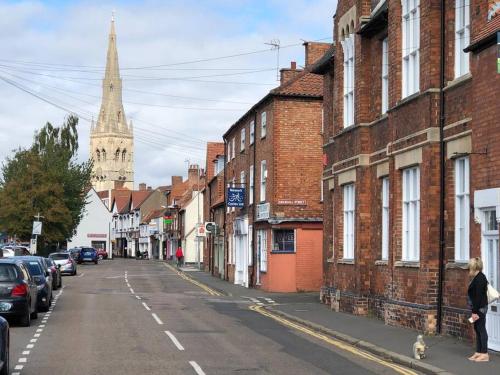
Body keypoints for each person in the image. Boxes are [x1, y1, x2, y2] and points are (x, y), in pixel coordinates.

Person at [467, 257, 489, 362]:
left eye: (469, 267)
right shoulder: (477, 277)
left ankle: (484, 354)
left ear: (474, 267)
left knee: (481, 329)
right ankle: (478, 352)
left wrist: (475, 312)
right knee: (477, 329)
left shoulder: (480, 278)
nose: (468, 269)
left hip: (480, 309)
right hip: (477, 308)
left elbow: (478, 297)